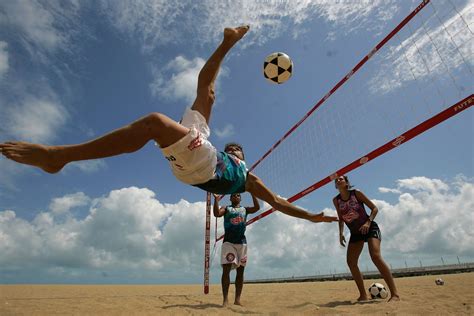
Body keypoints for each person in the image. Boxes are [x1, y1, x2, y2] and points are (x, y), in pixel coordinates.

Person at [0, 25, 337, 224]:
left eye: (238, 150)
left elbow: (278, 203)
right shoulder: (208, 137)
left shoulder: (248, 179)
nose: (235, 149)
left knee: (154, 123)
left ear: (242, 158)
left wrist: (310, 217)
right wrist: (228, 42)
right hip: (197, 154)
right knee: (207, 93)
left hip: (204, 167)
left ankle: (59, 156)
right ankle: (228, 41)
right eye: (232, 148)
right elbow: (207, 90)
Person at [333, 175, 400, 302]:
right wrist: (340, 233)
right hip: (355, 233)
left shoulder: (356, 193)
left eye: (341, 179)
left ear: (347, 182)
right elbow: (341, 218)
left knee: (375, 256)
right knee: (351, 262)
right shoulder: (336, 200)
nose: (338, 180)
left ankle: (395, 294)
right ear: (336, 186)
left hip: (369, 227)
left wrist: (368, 222)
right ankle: (363, 295)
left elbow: (374, 208)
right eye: (336, 180)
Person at [213, 192, 259, 306]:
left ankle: (237, 300)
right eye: (233, 195)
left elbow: (257, 208)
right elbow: (217, 213)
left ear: (241, 198)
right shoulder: (227, 208)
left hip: (242, 242)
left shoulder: (245, 209)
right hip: (228, 242)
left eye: (238, 195)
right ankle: (225, 300)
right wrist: (216, 200)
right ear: (230, 198)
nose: (236, 196)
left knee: (240, 271)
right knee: (226, 270)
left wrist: (254, 194)